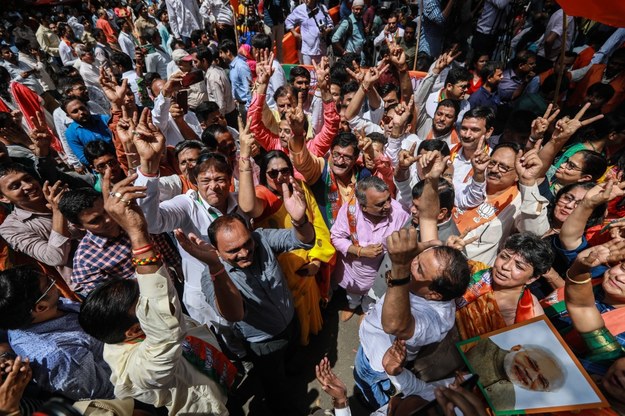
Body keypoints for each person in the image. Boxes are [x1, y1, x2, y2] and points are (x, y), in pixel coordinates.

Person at [78, 170, 230, 415]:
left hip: (220, 379)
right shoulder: (141, 370)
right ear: (136, 330)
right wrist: (137, 235)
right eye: (144, 305)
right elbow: (165, 329)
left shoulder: (128, 331)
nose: (152, 299)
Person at [176, 164, 315, 413]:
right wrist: (216, 269)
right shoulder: (212, 277)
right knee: (278, 389)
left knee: (293, 361)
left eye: (246, 244)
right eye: (233, 251)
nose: (245, 253)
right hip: (264, 344)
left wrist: (299, 219)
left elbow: (302, 240)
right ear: (217, 251)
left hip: (291, 322)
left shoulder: (261, 239)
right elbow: (234, 315)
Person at [355, 224, 471, 409]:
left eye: (420, 269)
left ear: (434, 294)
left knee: (368, 383)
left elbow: (394, 325)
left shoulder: (438, 319)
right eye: (417, 258)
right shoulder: (424, 282)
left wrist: (400, 267)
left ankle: (377, 403)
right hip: (371, 340)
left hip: (376, 361)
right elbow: (428, 215)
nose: (412, 262)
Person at [238, 127, 335, 344]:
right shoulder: (264, 196)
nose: (280, 176)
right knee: (292, 322)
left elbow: (318, 223)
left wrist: (318, 259)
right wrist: (244, 157)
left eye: (285, 170)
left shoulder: (299, 187)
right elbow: (248, 206)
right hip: (282, 275)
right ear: (264, 175)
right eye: (273, 173)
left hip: (308, 264)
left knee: (311, 313)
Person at [0, 266, 114, 401]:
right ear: (41, 307)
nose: (54, 282)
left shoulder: (38, 312)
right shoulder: (59, 356)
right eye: (49, 282)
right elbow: (108, 393)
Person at [331, 176, 410, 321]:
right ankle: (352, 304)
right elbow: (336, 237)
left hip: (379, 273)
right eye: (380, 204)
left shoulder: (400, 215)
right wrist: (360, 251)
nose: (387, 206)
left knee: (372, 297)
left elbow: (407, 245)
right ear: (364, 207)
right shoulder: (350, 211)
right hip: (352, 270)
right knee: (352, 293)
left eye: (388, 199)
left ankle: (366, 311)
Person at [456, 233, 554, 339]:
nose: (505, 266)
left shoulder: (529, 313)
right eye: (504, 257)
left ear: (532, 278)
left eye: (519, 266)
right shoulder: (473, 271)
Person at [465, 338, 565, 410]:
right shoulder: (478, 342)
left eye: (542, 381)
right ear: (516, 349)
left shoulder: (507, 406)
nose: (531, 375)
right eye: (532, 363)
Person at [284, 0, 333, 65]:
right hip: (308, 51)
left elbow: (330, 24)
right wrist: (295, 34)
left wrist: (326, 31)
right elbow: (288, 21)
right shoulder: (300, 9)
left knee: (321, 72)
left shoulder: (323, 8)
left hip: (322, 50)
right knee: (308, 73)